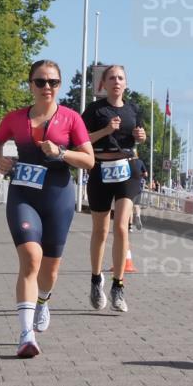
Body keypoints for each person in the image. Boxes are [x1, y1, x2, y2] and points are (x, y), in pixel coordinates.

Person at [0, 60, 94, 358]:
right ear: (30, 84)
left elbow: (89, 161)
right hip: (23, 195)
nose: (47, 87)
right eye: (40, 82)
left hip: (58, 196)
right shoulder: (15, 118)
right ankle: (26, 335)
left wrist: (61, 152)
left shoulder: (71, 119)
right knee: (30, 259)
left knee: (49, 270)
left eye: (53, 82)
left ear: (59, 85)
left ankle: (43, 301)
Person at [81, 65, 146, 312]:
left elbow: (139, 136)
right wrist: (107, 130)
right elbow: (82, 140)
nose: (116, 81)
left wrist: (141, 136)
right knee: (100, 230)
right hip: (100, 169)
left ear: (125, 83)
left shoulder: (133, 109)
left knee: (121, 227)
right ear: (103, 84)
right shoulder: (95, 110)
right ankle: (96, 280)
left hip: (126, 169)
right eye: (111, 78)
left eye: (120, 78)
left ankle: (118, 286)